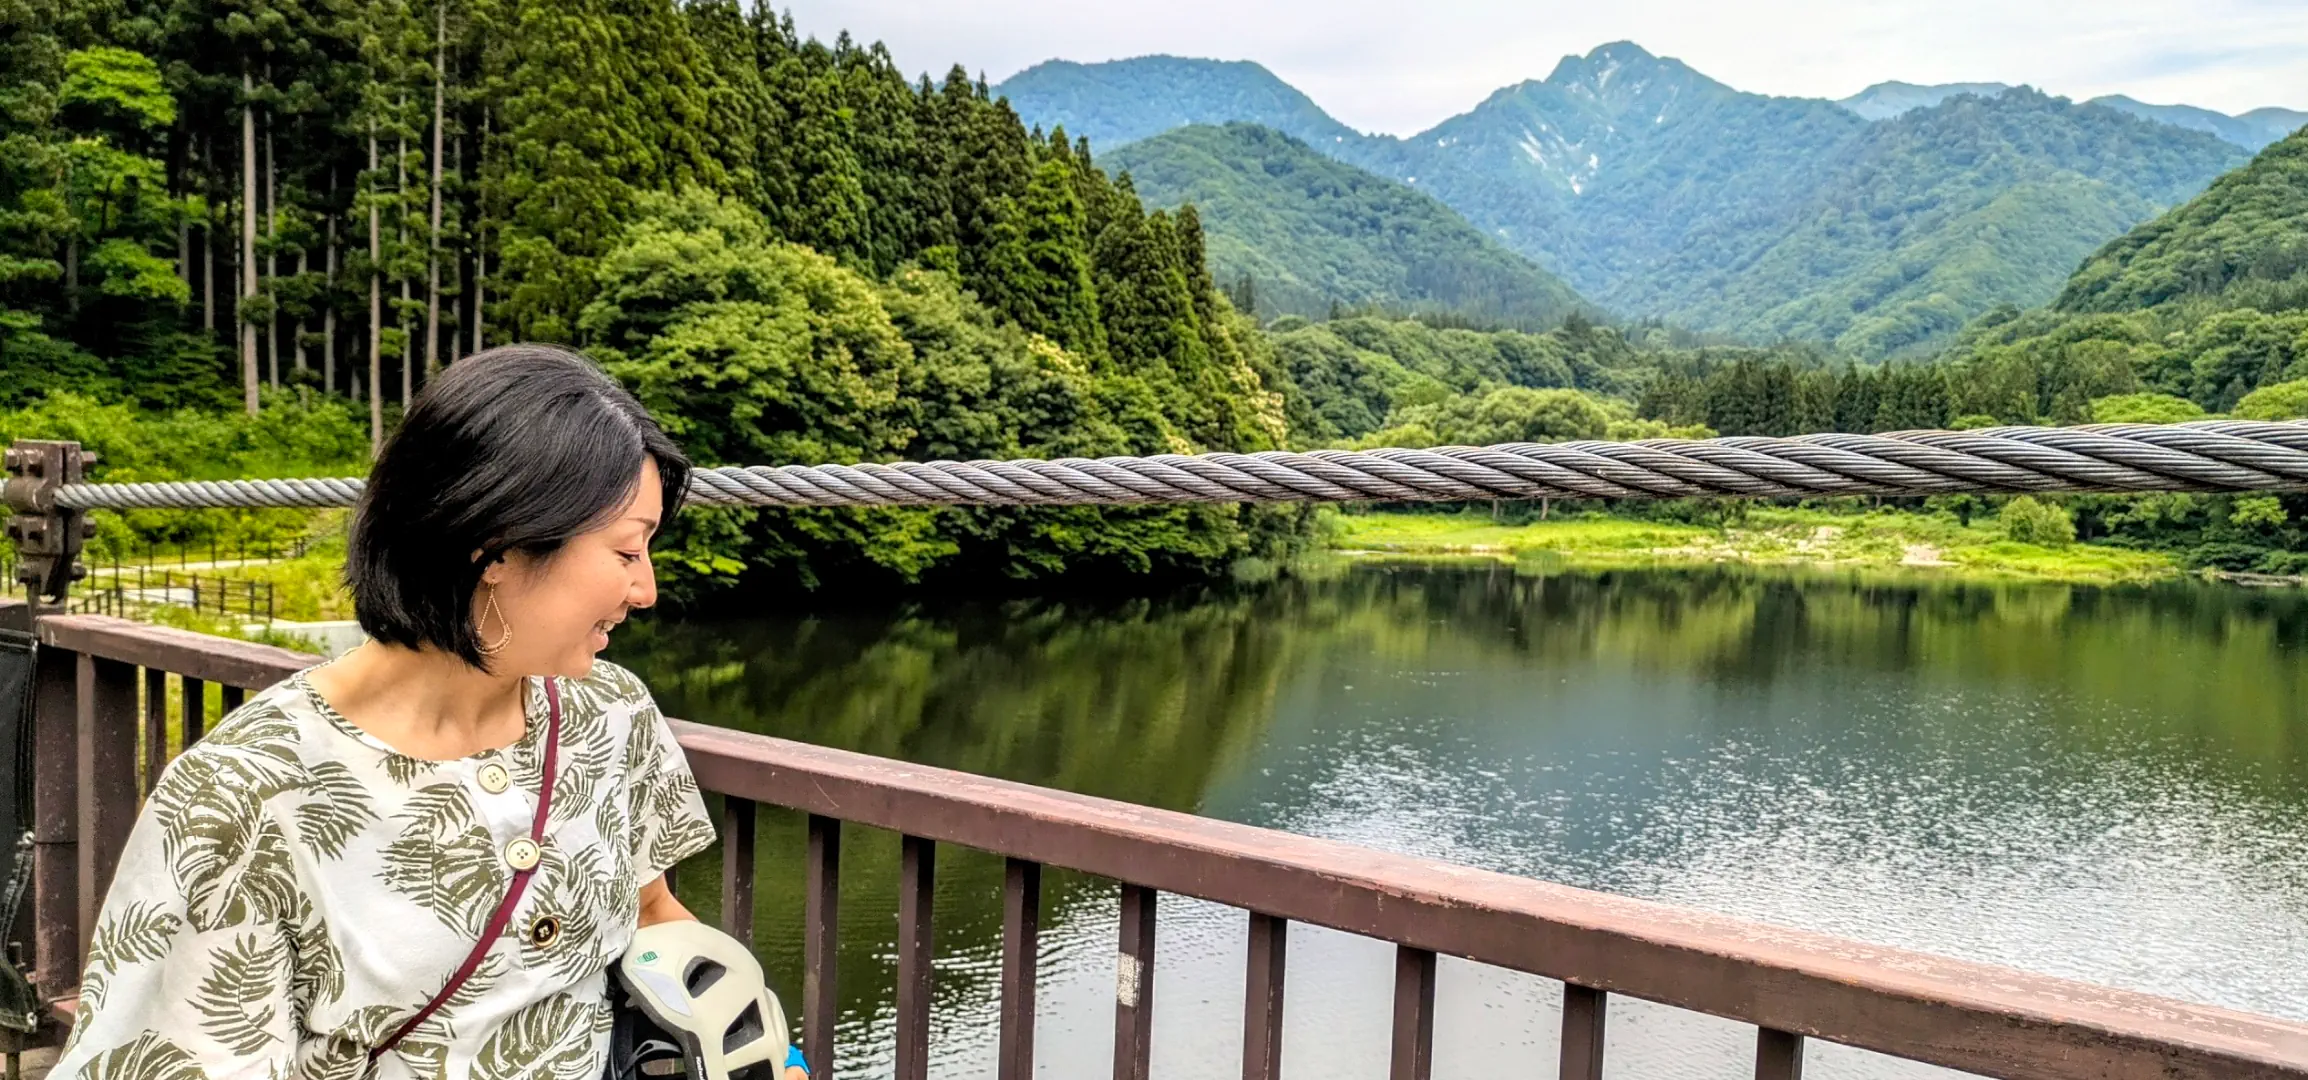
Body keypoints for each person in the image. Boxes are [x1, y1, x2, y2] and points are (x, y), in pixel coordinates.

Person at [48, 345, 807, 1080]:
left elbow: (652, 911)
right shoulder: (243, 796)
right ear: (497, 546)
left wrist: (769, 1054)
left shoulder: (610, 715)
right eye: (626, 551)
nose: (645, 591)